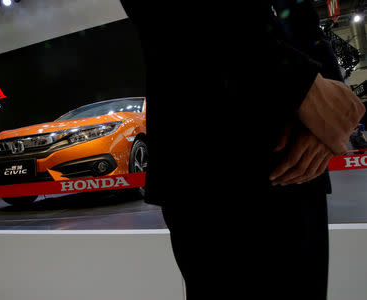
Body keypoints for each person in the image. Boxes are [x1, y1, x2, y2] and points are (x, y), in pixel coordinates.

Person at [119, 1, 365, 299]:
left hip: (303, 162)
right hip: (214, 160)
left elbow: (303, 20)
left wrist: (329, 112)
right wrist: (301, 86)